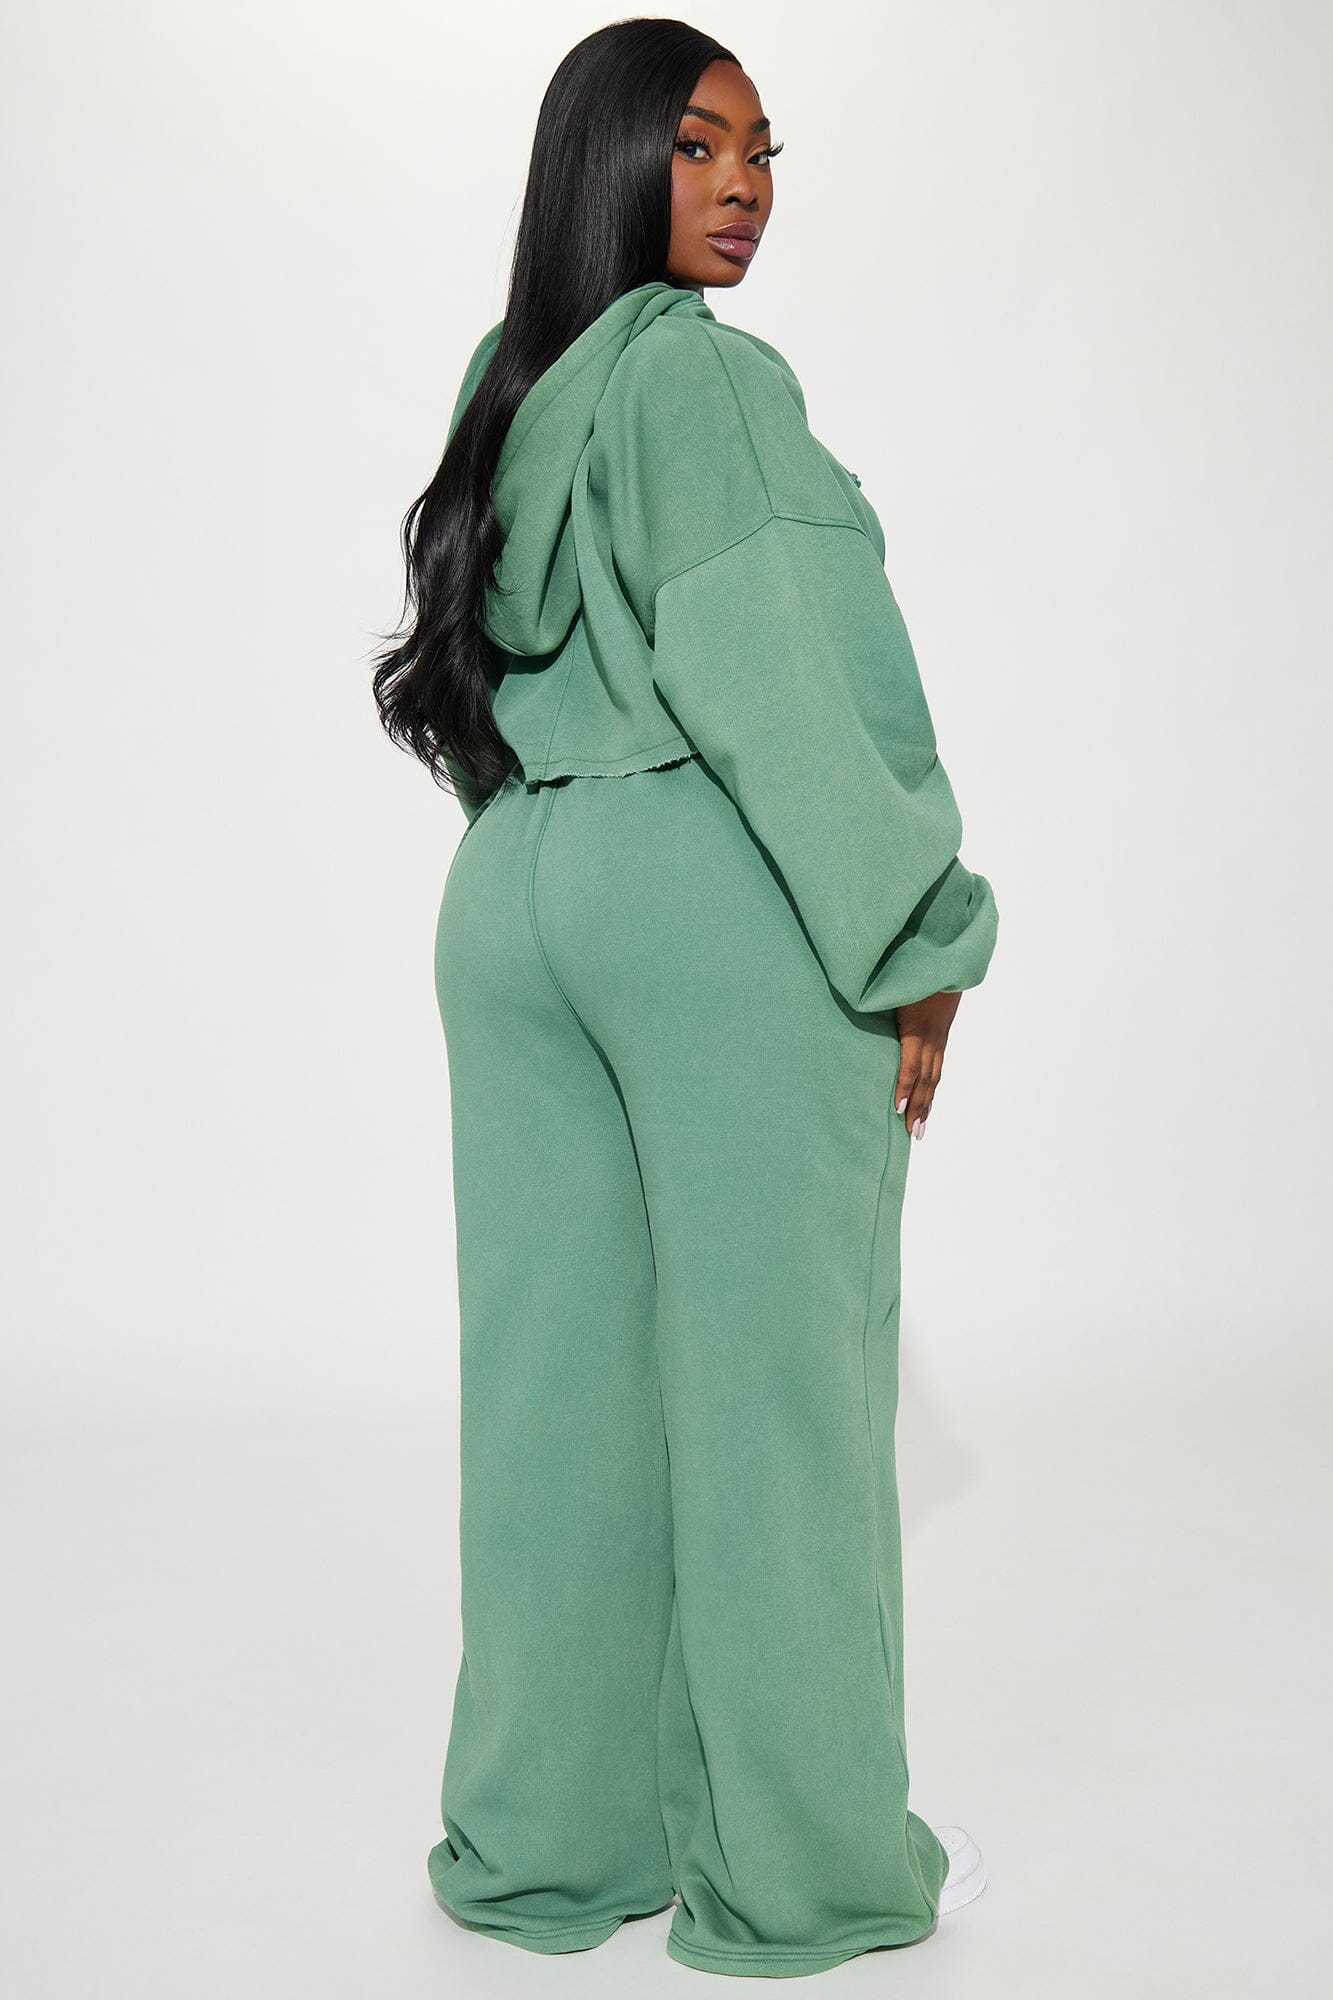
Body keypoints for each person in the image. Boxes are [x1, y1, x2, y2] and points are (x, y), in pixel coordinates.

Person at [373, 17, 998, 1982]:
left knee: (555, 1396)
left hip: (514, 892)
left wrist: (553, 840)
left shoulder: (514, 382)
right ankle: (804, 1877)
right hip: (706, 904)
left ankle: (549, 1848)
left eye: (764, 151)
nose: (742, 187)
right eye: (699, 146)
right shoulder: (703, 379)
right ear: (609, 161)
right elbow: (787, 666)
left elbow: (473, 657)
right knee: (774, 1400)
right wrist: (918, 933)